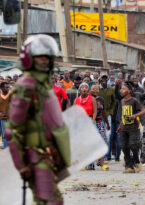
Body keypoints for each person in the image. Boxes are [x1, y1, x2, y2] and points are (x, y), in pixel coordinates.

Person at [5, 35, 71, 204]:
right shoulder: (26, 87)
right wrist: (21, 165)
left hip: (49, 156)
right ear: (29, 58)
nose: (45, 61)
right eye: (40, 57)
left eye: (48, 57)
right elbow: (12, 130)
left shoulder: (42, 84)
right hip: (36, 157)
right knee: (50, 201)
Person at [117, 82, 145, 173]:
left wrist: (135, 115)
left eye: (124, 89)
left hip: (134, 127)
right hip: (125, 127)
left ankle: (137, 161)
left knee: (133, 145)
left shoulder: (134, 101)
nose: (122, 90)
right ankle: (129, 166)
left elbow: (143, 111)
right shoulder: (122, 101)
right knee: (124, 147)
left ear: (129, 91)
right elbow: (123, 115)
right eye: (121, 89)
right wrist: (120, 126)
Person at [90, 85, 110, 171]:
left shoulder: (101, 99)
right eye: (93, 89)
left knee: (103, 141)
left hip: (100, 122)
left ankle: (100, 161)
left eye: (97, 89)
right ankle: (90, 163)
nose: (95, 90)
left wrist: (107, 123)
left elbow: (104, 112)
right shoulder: (88, 98)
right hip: (90, 122)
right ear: (90, 90)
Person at [0, 82, 10, 148]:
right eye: (5, 87)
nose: (7, 89)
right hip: (2, 119)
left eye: (8, 87)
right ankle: (6, 149)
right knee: (5, 135)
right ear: (1, 88)